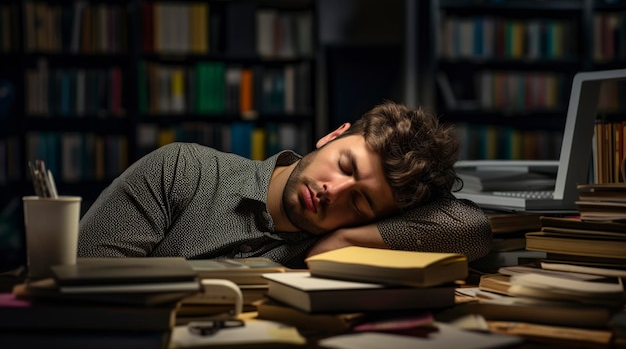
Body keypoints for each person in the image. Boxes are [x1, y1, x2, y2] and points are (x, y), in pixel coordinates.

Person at [78, 101, 492, 268]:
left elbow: (472, 229)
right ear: (332, 135)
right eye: (345, 165)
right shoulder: (182, 169)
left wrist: (349, 238)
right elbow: (78, 277)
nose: (335, 190)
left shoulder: (323, 246)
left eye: (361, 201)